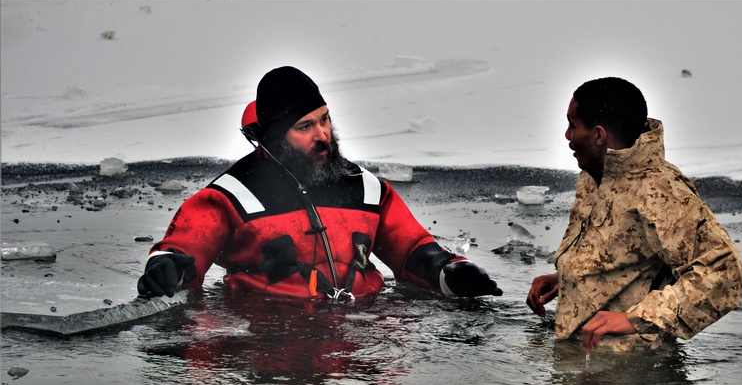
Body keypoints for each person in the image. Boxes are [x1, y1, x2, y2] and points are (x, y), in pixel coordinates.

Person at [138, 66, 502, 302]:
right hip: (266, 339)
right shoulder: (230, 197)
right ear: (276, 138)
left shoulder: (367, 190)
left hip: (360, 346)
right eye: (305, 126)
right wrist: (167, 267)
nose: (323, 135)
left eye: (325, 119)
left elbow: (412, 250)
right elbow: (186, 247)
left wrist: (450, 271)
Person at [526, 77, 742, 352]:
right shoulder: (596, 174)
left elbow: (725, 273)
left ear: (599, 135)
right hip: (583, 358)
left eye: (572, 125)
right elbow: (629, 261)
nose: (567, 136)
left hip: (630, 372)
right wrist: (572, 277)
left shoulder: (660, 191)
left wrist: (636, 319)